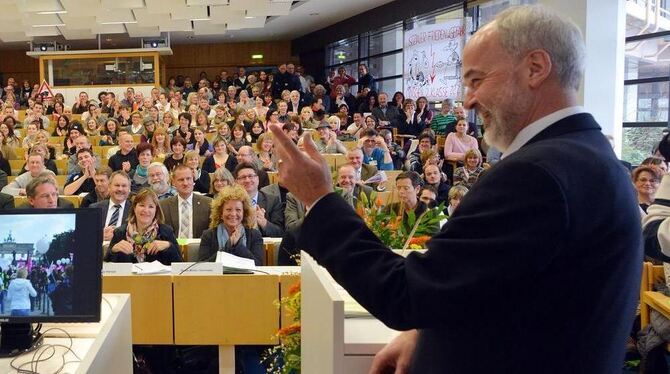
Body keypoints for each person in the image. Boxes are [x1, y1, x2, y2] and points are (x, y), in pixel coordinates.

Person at [267, 6, 641, 373]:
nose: (468, 101)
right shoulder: (588, 156)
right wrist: (431, 330)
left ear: (535, 68)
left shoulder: (536, 175)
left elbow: (405, 293)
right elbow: (519, 294)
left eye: (477, 80)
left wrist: (317, 197)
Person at [106, 189, 182, 265]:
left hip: (158, 277)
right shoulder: (120, 233)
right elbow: (106, 266)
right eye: (142, 205)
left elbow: (180, 266)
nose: (146, 210)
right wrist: (113, 250)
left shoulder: (166, 232)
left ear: (156, 210)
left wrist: (169, 246)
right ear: (134, 208)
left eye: (151, 207)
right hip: (128, 277)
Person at [197, 185, 264, 265]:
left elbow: (258, 265)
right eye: (228, 209)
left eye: (238, 210)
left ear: (244, 213)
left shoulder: (255, 235)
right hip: (218, 277)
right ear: (221, 213)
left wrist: (238, 246)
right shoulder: (208, 235)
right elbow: (203, 266)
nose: (233, 214)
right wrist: (228, 246)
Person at [160, 164, 212, 239]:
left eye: (188, 179)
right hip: (172, 248)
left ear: (193, 180)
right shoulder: (163, 206)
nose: (185, 183)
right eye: (181, 180)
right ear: (173, 182)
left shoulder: (208, 204)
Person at [233, 162, 284, 237]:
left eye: (251, 176)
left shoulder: (272, 201)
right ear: (236, 182)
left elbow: (280, 232)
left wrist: (264, 223)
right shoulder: (231, 202)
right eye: (243, 177)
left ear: (257, 179)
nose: (247, 180)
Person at [91, 171, 132, 241]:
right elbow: (86, 235)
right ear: (109, 187)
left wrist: (116, 237)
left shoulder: (134, 210)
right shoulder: (94, 208)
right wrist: (99, 235)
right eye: (117, 185)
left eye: (124, 186)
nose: (120, 189)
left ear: (129, 189)